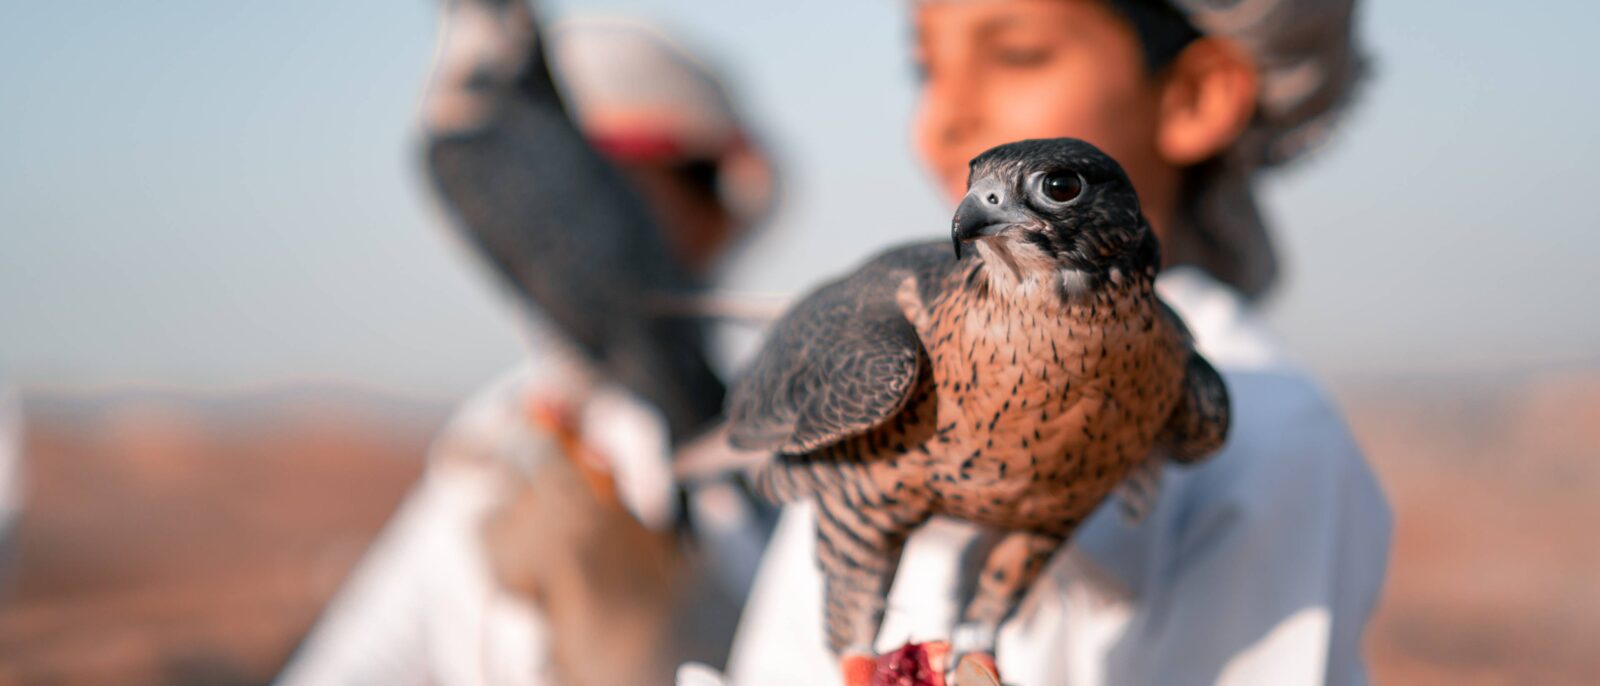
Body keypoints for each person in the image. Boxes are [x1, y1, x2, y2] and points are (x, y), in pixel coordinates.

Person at [718, 1, 1391, 684]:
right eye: (922, 69)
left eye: (1017, 55)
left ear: (1195, 95)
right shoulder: (892, 342)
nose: (942, 119)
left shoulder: (1268, 429)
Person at [277, 16, 775, 686]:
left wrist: (679, 619)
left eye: (616, 180)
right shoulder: (492, 438)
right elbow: (358, 662)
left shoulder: (792, 419)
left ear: (705, 205)